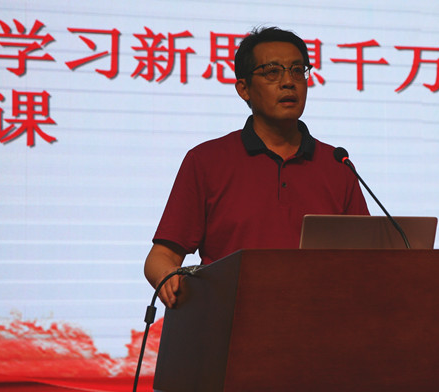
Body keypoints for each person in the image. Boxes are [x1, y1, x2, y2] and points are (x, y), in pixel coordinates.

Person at [144, 26, 369, 307]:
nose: (288, 82)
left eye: (297, 71)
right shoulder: (206, 161)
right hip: (229, 321)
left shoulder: (337, 164)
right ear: (244, 89)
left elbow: (368, 258)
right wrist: (168, 276)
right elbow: (161, 256)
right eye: (272, 72)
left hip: (318, 321)